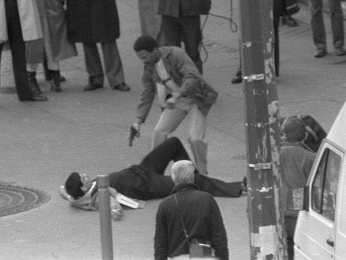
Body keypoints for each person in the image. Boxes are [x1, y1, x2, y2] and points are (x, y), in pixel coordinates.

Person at [61, 137, 244, 214]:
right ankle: (238, 187)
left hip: (142, 169)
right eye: (83, 177)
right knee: (191, 180)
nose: (86, 175)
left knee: (173, 143)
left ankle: (195, 181)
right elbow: (114, 211)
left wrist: (67, 192)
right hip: (149, 185)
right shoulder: (98, 196)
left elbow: (67, 193)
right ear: (84, 187)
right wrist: (115, 206)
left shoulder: (80, 193)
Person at [131, 35, 218, 174]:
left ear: (155, 50)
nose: (143, 60)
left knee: (195, 139)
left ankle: (202, 174)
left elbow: (192, 76)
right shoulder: (148, 67)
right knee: (159, 131)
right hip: (178, 100)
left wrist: (177, 95)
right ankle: (153, 172)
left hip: (196, 97)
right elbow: (147, 93)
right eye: (140, 57)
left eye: (145, 56)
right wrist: (138, 121)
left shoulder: (175, 54)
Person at [154, 160, 229, 260]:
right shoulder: (207, 199)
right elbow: (219, 236)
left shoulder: (165, 205)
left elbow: (160, 244)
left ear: (173, 178)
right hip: (204, 256)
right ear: (192, 177)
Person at [279, 117, 317, 259]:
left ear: (284, 134)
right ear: (305, 136)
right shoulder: (309, 158)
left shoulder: (273, 155)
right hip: (298, 217)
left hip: (278, 215)